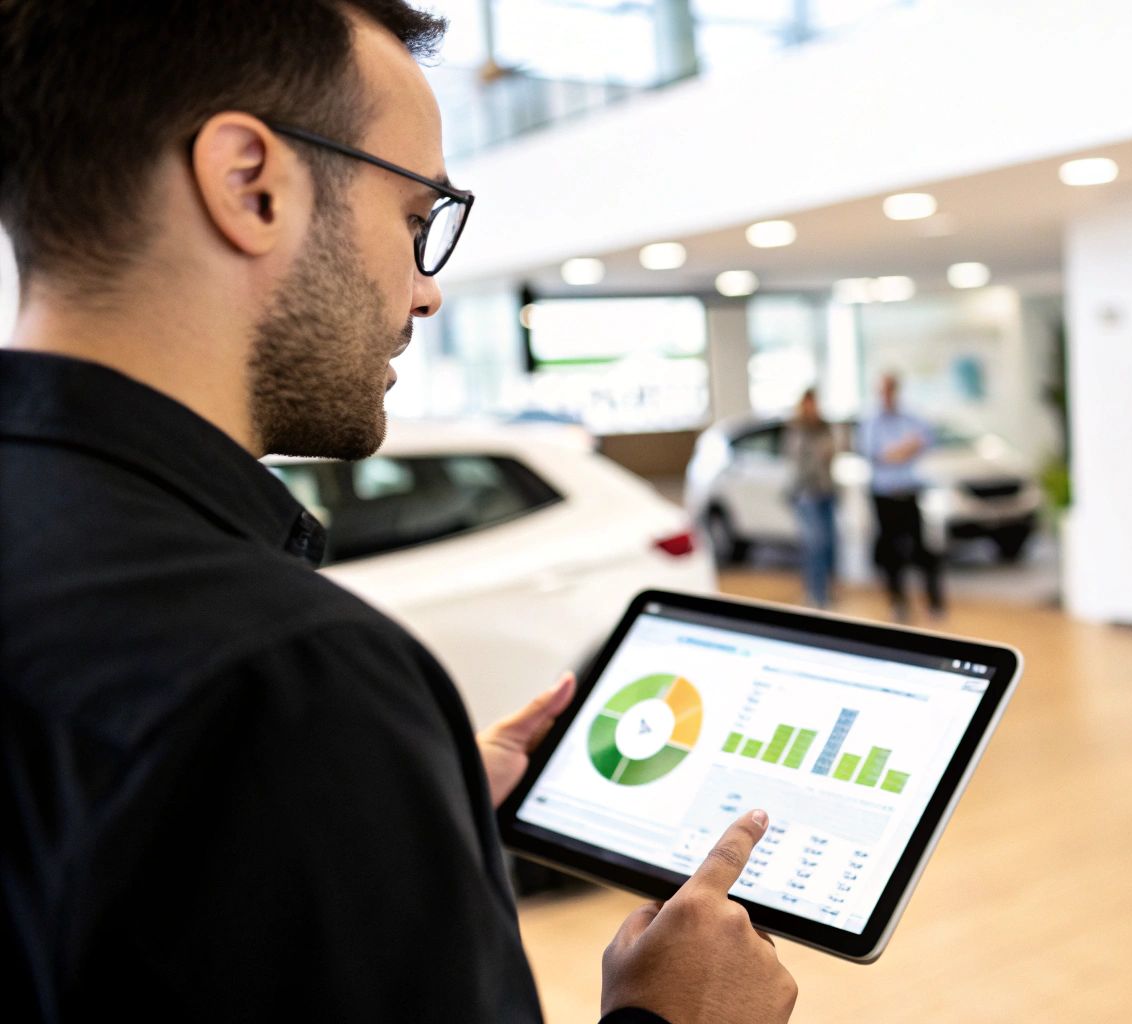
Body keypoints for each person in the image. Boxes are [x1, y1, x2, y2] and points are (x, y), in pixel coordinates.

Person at [0, 4, 796, 1023]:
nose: (426, 294)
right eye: (419, 221)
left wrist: (378, 805)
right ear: (250, 184)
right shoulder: (286, 678)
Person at [857, 374, 945, 622]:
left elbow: (925, 440)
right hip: (883, 495)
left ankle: (934, 603)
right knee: (890, 552)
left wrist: (899, 451)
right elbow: (877, 454)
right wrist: (904, 449)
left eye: (891, 390)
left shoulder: (911, 416)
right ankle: (898, 603)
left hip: (908, 492)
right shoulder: (871, 421)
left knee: (922, 549)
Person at [783, 389, 838, 609]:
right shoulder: (797, 429)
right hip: (807, 494)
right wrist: (818, 455)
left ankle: (825, 591)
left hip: (826, 491)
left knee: (828, 545)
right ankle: (814, 593)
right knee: (815, 545)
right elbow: (798, 461)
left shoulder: (824, 427)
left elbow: (833, 450)